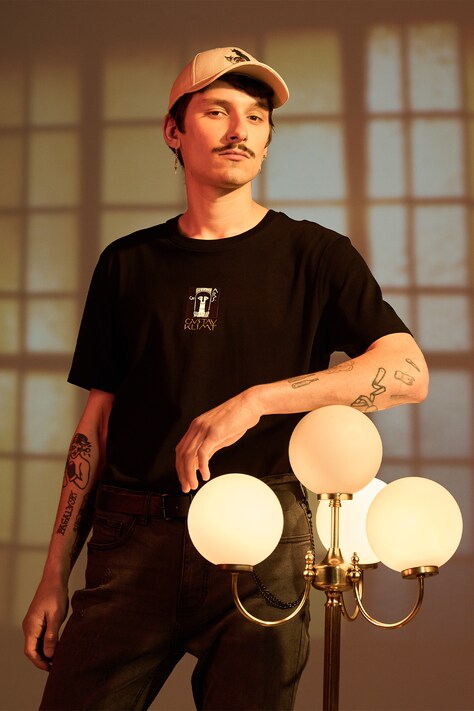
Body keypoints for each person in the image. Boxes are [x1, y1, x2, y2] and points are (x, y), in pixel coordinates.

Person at [23, 46, 429, 710]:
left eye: (256, 116)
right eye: (217, 111)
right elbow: (95, 426)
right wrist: (51, 575)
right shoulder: (127, 263)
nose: (240, 130)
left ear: (267, 138)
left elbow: (408, 373)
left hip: (263, 537)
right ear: (174, 131)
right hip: (132, 542)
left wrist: (257, 401)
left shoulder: (316, 255)